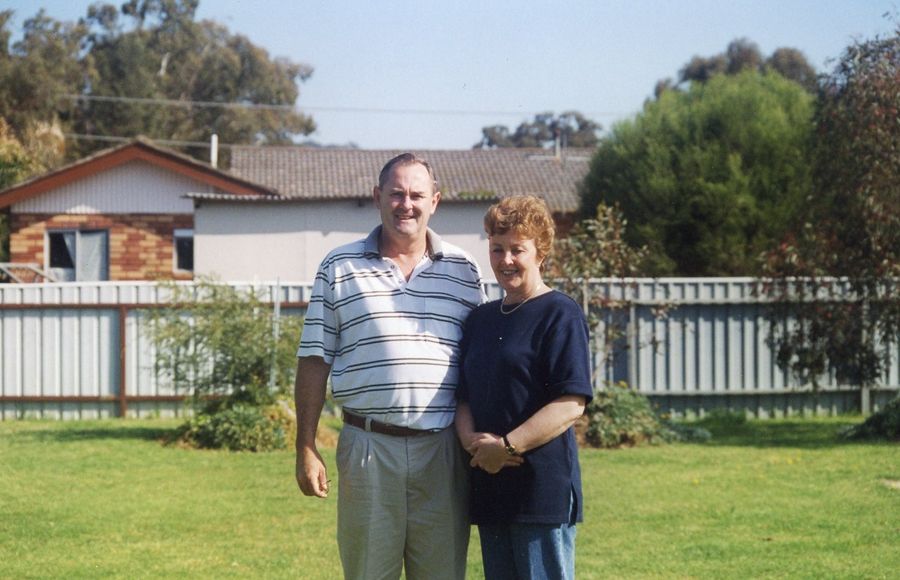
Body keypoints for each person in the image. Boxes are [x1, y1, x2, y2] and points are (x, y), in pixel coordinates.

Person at [294, 153, 485, 580]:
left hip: (443, 453)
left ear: (435, 201)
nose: (406, 204)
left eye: (417, 194)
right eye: (396, 193)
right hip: (368, 449)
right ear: (377, 197)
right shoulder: (339, 267)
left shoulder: (464, 272)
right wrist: (305, 446)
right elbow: (313, 359)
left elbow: (482, 366)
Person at [456, 195, 593, 580]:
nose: (506, 260)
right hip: (489, 485)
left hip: (539, 492)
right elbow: (463, 395)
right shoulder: (480, 319)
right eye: (497, 249)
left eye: (518, 249)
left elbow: (570, 403)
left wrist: (506, 447)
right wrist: (474, 445)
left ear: (540, 252)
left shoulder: (559, 313)